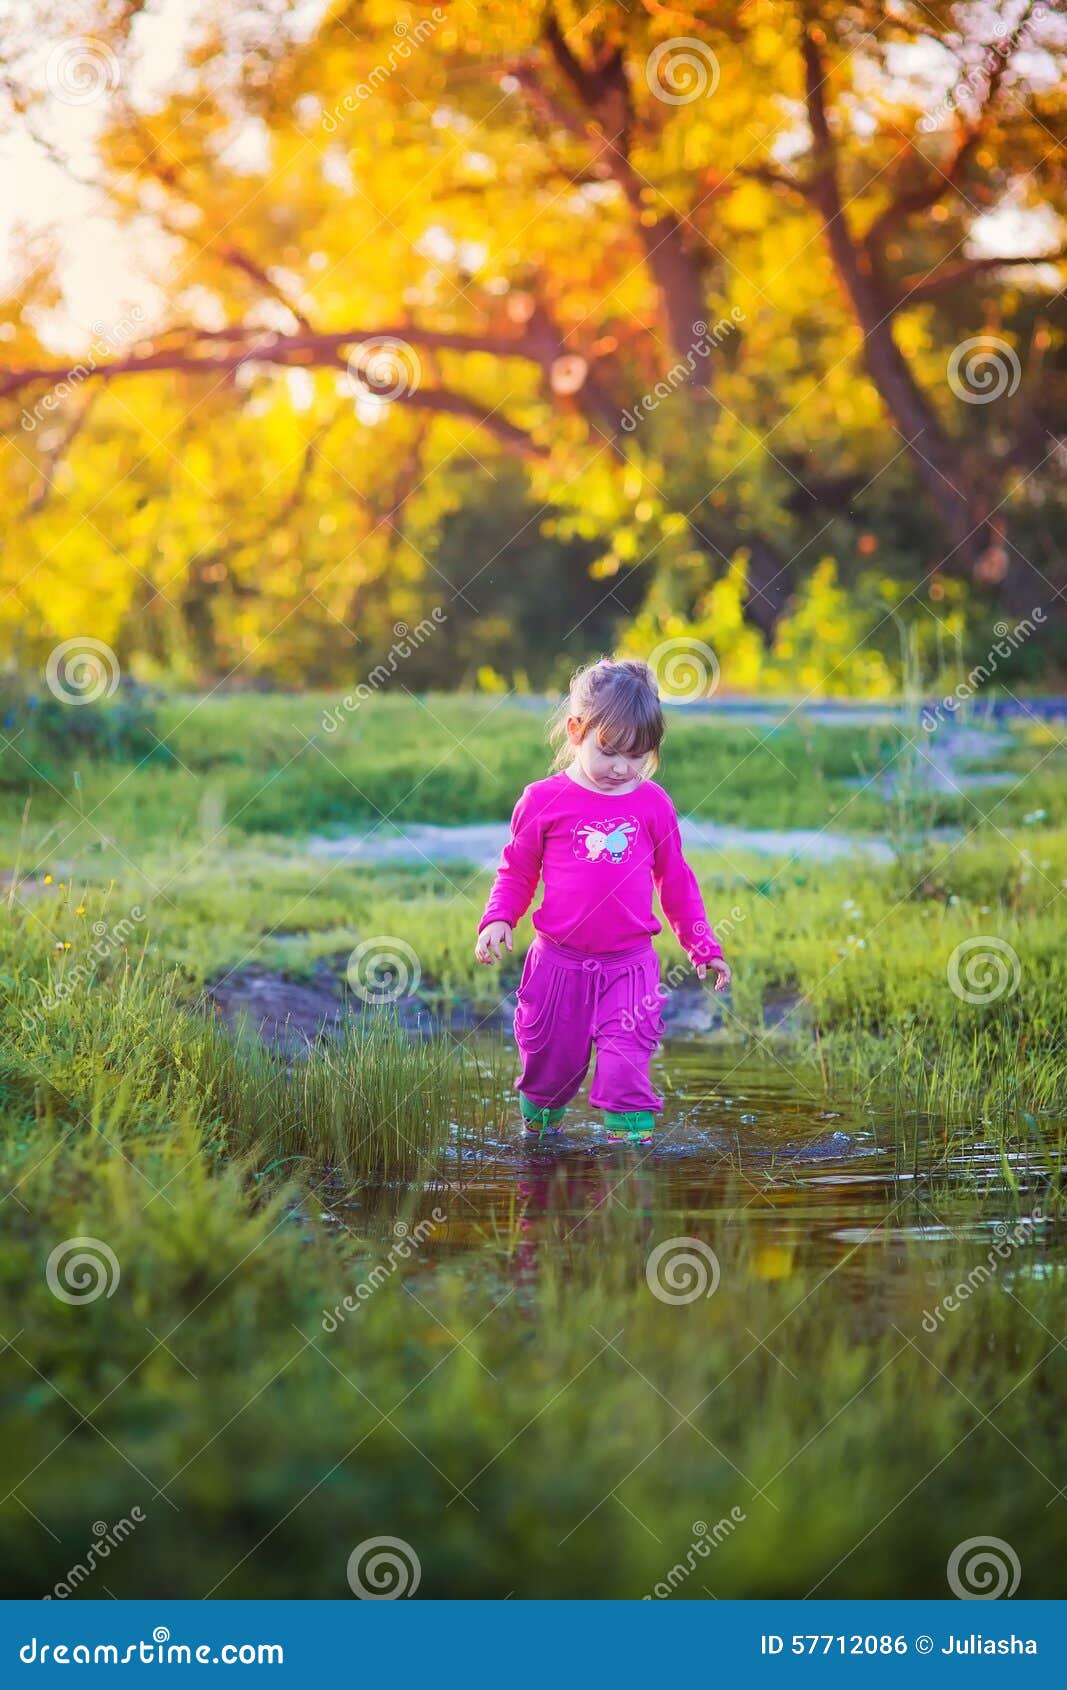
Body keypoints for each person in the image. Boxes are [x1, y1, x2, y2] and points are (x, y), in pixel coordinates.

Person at [475, 656, 731, 1147]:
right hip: (557, 967)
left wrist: (703, 944)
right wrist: (499, 917)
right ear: (576, 730)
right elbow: (517, 868)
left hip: (629, 968)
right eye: (610, 750)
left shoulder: (653, 804)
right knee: (550, 1073)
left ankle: (628, 1180)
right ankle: (541, 1150)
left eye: (637, 756)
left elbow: (675, 879)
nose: (622, 768)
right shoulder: (542, 800)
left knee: (626, 1070)